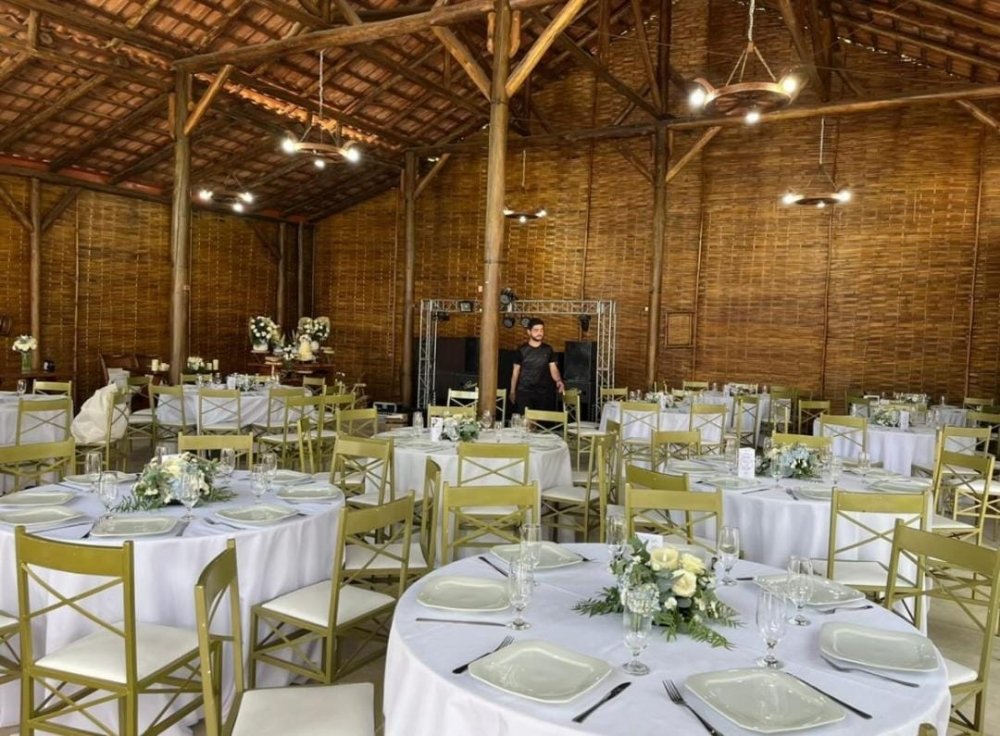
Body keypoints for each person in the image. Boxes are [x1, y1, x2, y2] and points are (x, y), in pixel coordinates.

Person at [510, 318, 564, 416]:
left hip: (543, 392)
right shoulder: (521, 350)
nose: (540, 333)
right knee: (526, 421)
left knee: (541, 422)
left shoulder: (548, 349)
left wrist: (558, 381)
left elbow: (553, 368)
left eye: (541, 330)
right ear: (529, 332)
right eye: (536, 330)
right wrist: (512, 391)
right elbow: (515, 372)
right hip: (525, 391)